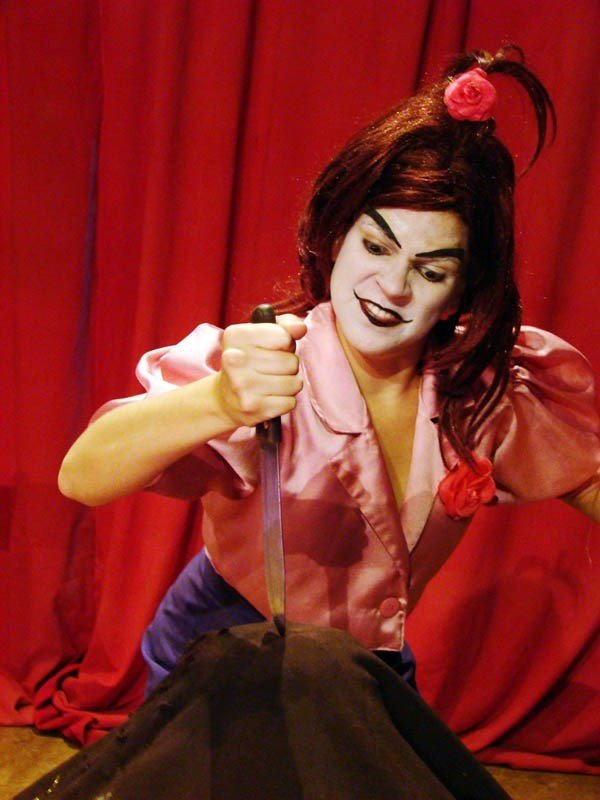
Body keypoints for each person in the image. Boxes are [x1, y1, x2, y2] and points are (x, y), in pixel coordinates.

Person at [40, 45, 599, 798]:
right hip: (225, 661)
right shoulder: (263, 365)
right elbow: (82, 475)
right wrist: (218, 402)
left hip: (367, 676)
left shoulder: (485, 392)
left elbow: (585, 476)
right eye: (376, 245)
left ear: (464, 293)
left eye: (431, 270)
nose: (392, 286)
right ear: (337, 236)